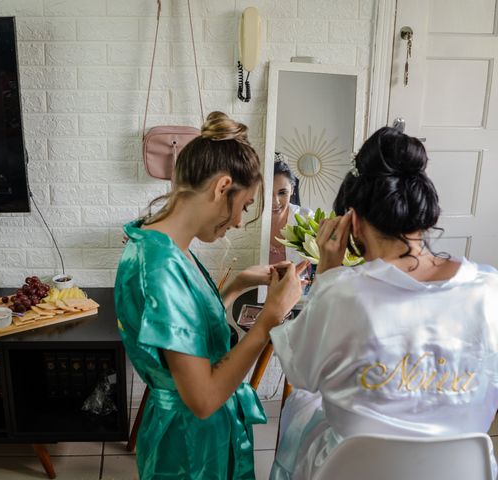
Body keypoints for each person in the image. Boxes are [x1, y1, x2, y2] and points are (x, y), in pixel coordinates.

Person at [269, 126, 498, 480]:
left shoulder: (341, 293)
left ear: (353, 222)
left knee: (302, 409)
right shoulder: (489, 290)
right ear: (425, 214)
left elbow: (301, 374)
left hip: (356, 472)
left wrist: (328, 275)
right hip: (461, 471)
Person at [115, 111, 306, 479]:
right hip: (190, 445)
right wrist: (268, 320)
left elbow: (186, 335)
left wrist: (236, 286)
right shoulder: (160, 267)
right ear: (222, 188)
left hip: (195, 433)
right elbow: (202, 399)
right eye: (245, 205)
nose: (238, 221)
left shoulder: (164, 245)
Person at [269, 155, 313, 264]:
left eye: (282, 193)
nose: (276, 202)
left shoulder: (306, 217)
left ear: (292, 189)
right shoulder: (251, 221)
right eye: (269, 193)